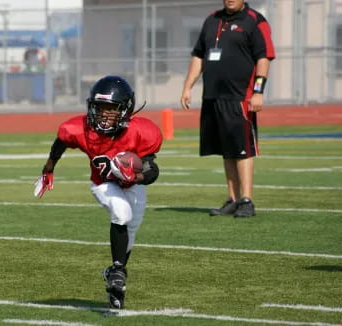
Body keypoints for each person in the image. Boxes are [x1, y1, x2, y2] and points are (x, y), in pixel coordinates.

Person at [34, 75, 162, 309]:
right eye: (100, 108)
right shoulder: (79, 128)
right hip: (103, 184)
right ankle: (119, 271)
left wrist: (138, 176)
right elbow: (60, 143)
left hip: (133, 185)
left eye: (111, 110)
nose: (104, 115)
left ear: (125, 110)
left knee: (130, 232)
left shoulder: (141, 132)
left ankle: (115, 277)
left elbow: (152, 170)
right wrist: (48, 169)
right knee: (121, 214)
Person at [180, 0, 275, 217]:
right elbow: (199, 55)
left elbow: (264, 57)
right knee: (227, 150)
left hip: (240, 97)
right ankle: (232, 199)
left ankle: (247, 200)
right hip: (213, 97)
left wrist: (258, 91)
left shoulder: (255, 21)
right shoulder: (212, 20)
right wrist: (187, 87)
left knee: (242, 149)